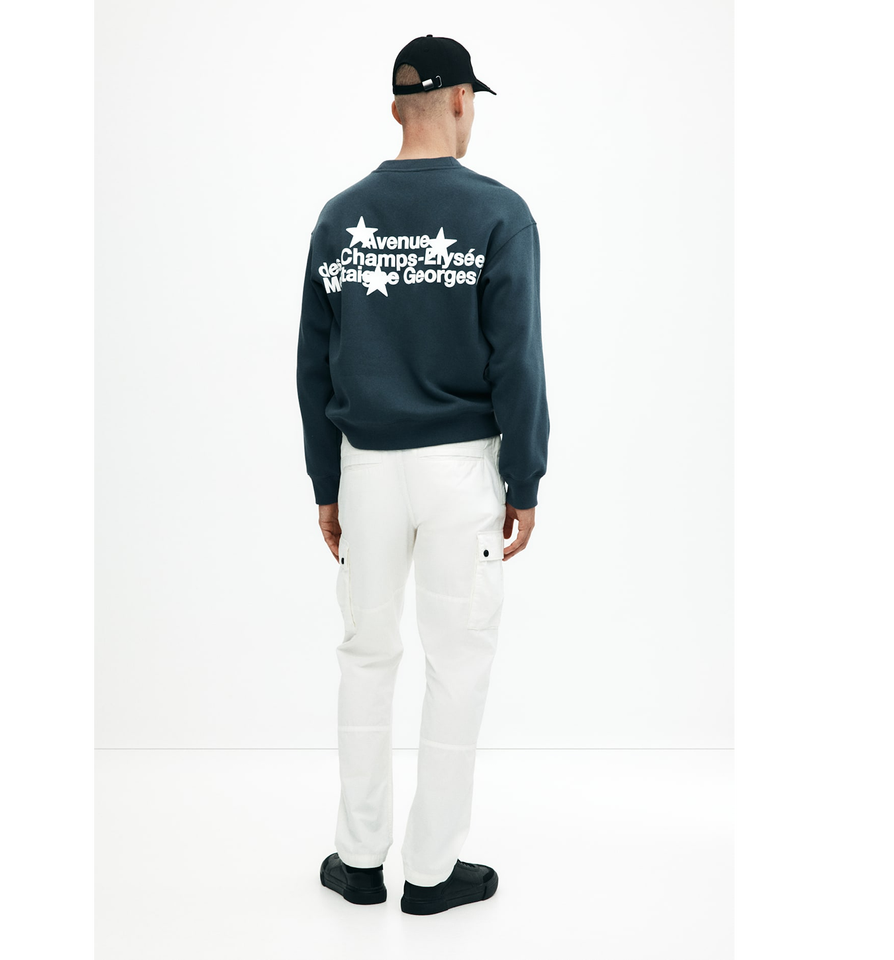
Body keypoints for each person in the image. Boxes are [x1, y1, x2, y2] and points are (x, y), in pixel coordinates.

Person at [297, 35, 550, 915]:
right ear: (460, 100)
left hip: (365, 469)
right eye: (473, 101)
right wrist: (525, 478)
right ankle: (433, 875)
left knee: (366, 656)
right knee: (458, 662)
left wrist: (325, 485)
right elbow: (518, 360)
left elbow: (313, 367)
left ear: (395, 107)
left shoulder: (339, 217)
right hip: (459, 472)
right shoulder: (499, 215)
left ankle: (358, 861)